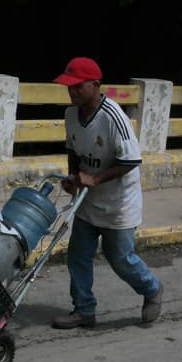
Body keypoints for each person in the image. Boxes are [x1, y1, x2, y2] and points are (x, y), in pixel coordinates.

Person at [50, 57, 163, 329]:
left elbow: (132, 160)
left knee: (120, 259)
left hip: (119, 203)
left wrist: (96, 178)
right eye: (69, 87)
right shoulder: (70, 115)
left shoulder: (113, 116)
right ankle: (84, 310)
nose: (72, 92)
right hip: (88, 201)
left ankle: (152, 289)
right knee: (78, 255)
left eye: (78, 86)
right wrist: (75, 178)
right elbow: (73, 150)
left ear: (96, 85)